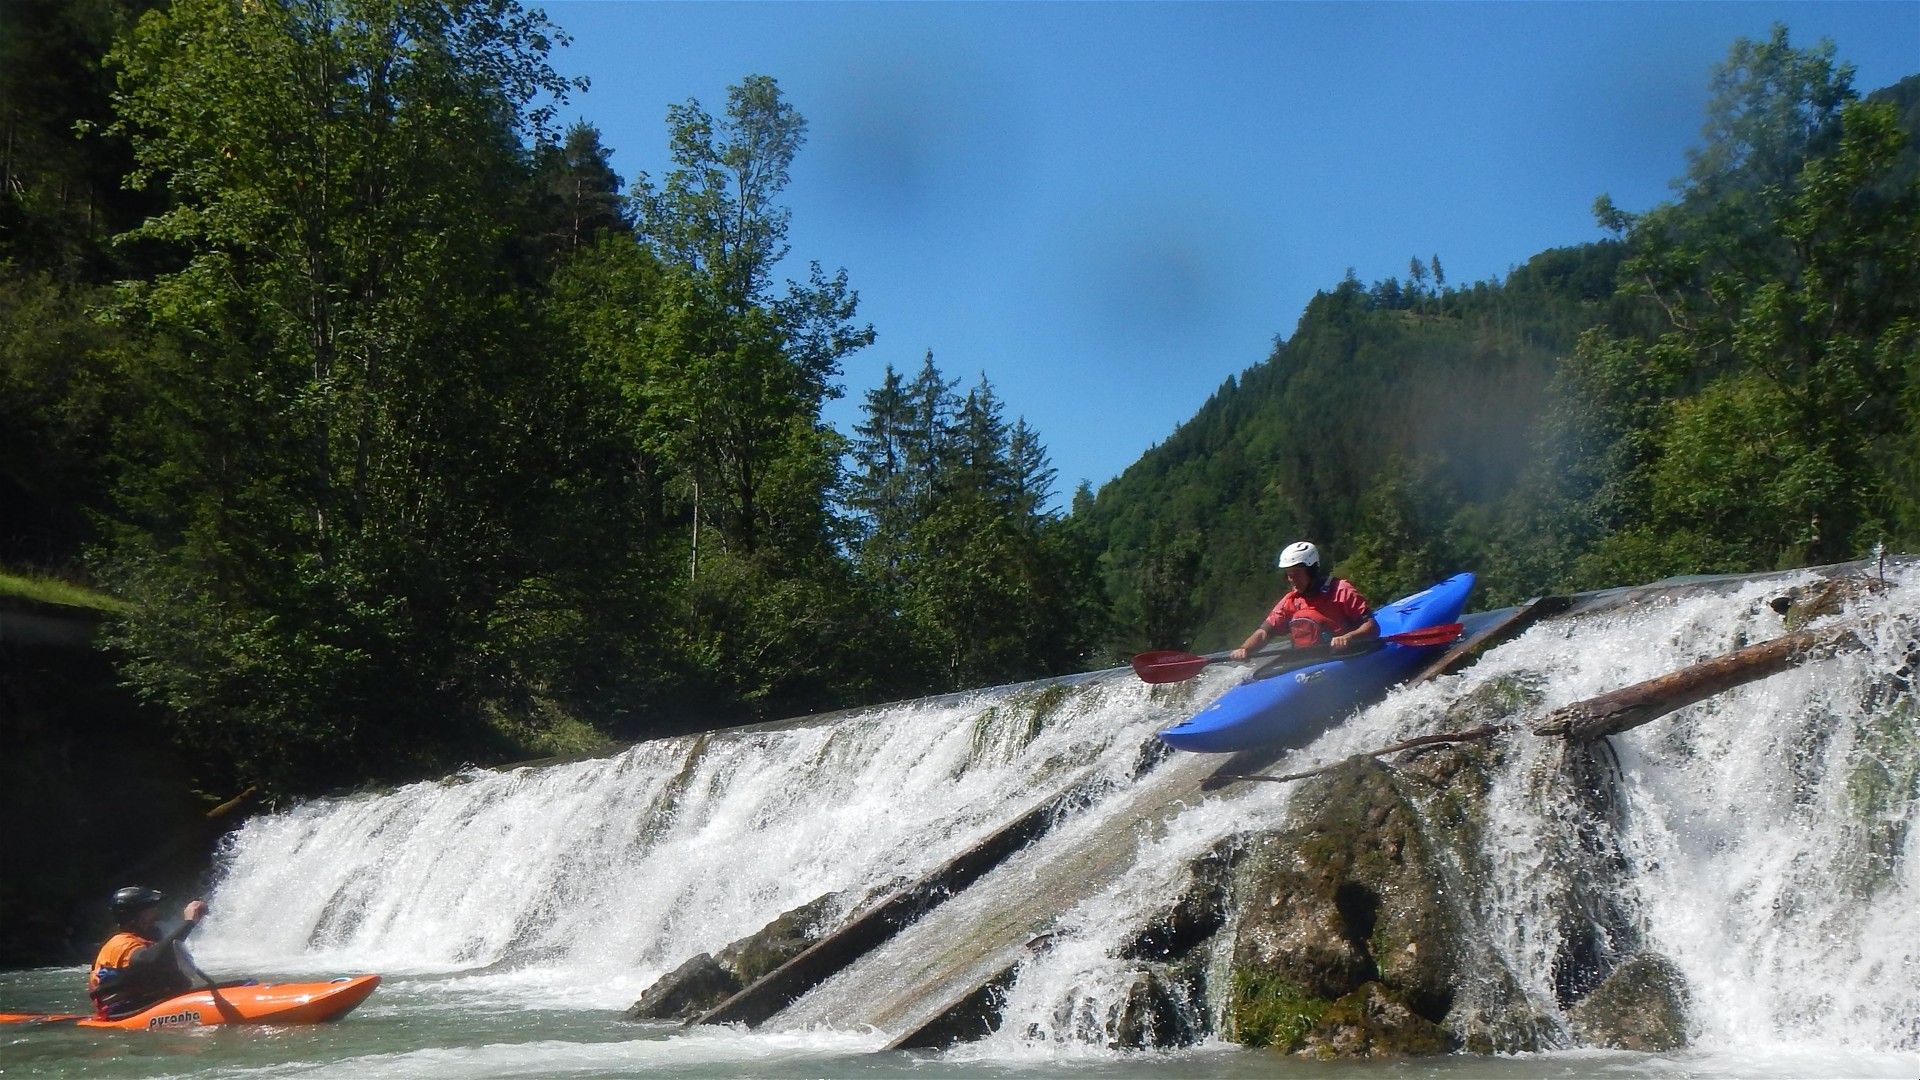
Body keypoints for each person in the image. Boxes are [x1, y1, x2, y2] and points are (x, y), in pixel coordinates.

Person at [1229, 541, 1378, 660]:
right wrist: (1244, 649)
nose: (1292, 580)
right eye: (1289, 574)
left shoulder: (1341, 590)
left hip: (1345, 656)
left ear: (1311, 570)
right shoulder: (1291, 601)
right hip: (1308, 662)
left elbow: (1372, 627)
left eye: (1297, 574)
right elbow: (1264, 633)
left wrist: (1348, 637)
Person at [88, 886, 209, 1020]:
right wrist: (189, 923)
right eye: (150, 909)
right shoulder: (120, 943)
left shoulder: (146, 942)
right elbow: (148, 960)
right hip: (123, 1013)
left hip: (147, 1004)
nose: (155, 912)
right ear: (133, 915)